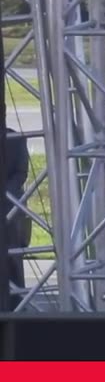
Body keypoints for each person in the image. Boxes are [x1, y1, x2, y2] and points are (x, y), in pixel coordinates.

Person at [3, 127, 31, 301]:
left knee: (12, 257)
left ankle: (15, 301)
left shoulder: (15, 138)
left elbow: (21, 173)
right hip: (9, 204)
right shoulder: (16, 138)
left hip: (9, 209)